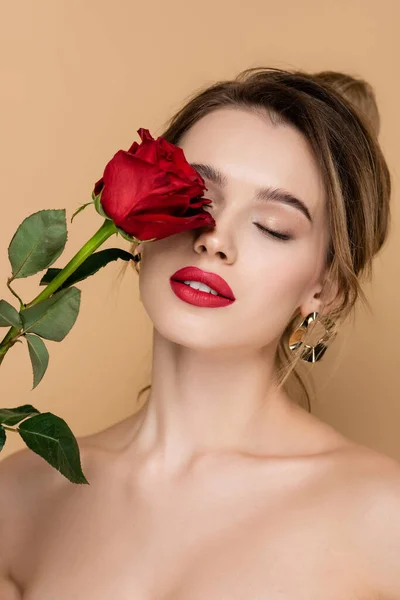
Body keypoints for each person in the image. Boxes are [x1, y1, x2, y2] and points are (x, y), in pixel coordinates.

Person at [1, 66, 400, 599]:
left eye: (272, 226)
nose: (215, 240)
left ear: (325, 288)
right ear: (140, 220)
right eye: (198, 198)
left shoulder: (382, 517)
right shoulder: (22, 494)